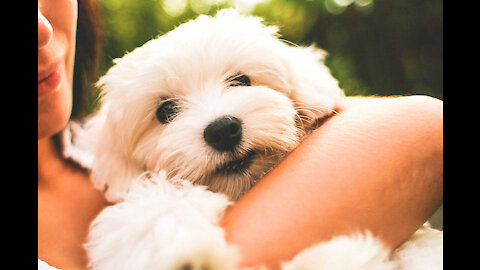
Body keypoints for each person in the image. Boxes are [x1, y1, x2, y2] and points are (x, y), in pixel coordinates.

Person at [37, 0, 443, 269]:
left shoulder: (90, 159)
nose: (220, 120)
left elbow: (424, 129)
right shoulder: (136, 197)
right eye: (167, 112)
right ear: (123, 153)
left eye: (241, 81)